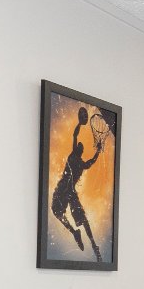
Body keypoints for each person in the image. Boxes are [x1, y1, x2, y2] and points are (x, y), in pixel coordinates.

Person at [51, 107, 106, 259]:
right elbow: (75, 136)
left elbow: (92, 161)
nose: (80, 145)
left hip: (67, 190)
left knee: (82, 219)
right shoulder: (75, 157)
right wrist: (79, 124)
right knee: (57, 211)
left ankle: (93, 244)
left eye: (81, 146)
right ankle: (75, 233)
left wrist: (97, 151)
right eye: (79, 145)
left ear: (80, 151)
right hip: (65, 188)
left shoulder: (79, 161)